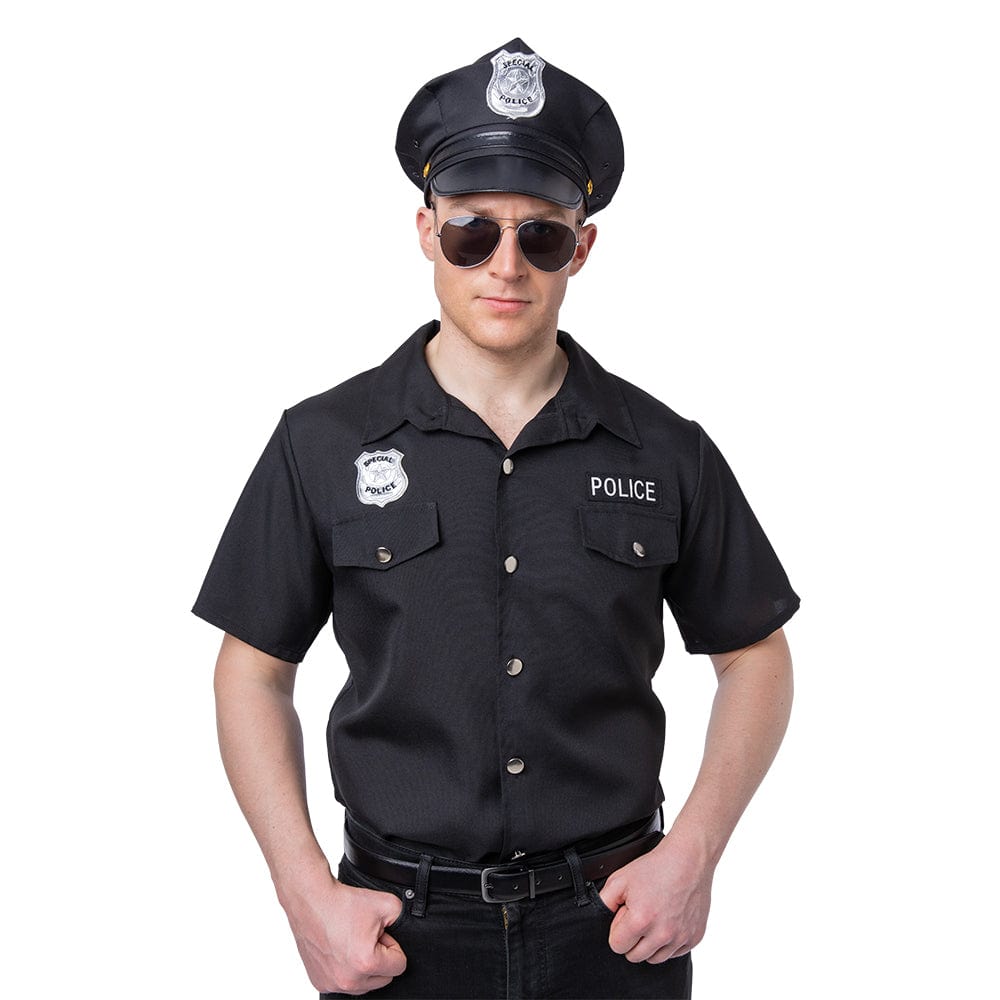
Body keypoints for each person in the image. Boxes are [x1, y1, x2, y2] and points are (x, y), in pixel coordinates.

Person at [193, 38, 798, 999]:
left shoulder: (664, 448)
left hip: (616, 933)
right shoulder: (322, 442)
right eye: (475, 232)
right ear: (427, 231)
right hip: (397, 938)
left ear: (583, 247)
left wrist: (695, 855)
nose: (505, 265)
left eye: (542, 235)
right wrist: (304, 893)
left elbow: (755, 655)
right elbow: (252, 672)